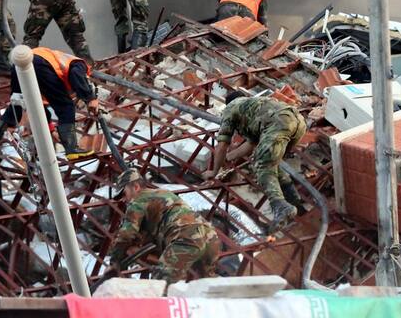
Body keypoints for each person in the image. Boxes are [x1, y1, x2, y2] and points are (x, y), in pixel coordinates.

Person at [204, 92, 306, 232]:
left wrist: (214, 171)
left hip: (278, 124)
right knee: (272, 162)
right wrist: (228, 157)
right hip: (298, 123)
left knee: (262, 165)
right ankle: (294, 200)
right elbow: (250, 144)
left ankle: (281, 206)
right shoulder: (254, 105)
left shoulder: (231, 107)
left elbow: (222, 145)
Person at [0, 47, 99, 161]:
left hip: (19, 65)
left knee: (17, 105)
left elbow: (39, 105)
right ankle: (72, 150)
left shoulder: (53, 72)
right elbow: (77, 74)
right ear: (90, 66)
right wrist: (90, 98)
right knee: (66, 106)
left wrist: (50, 129)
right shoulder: (80, 64)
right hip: (38, 63)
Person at [106, 169, 220, 283]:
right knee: (205, 285)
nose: (123, 199)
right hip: (210, 236)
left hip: (185, 238)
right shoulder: (164, 193)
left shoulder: (138, 201)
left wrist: (114, 263)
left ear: (136, 187)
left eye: (123, 194)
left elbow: (126, 234)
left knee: (161, 284)